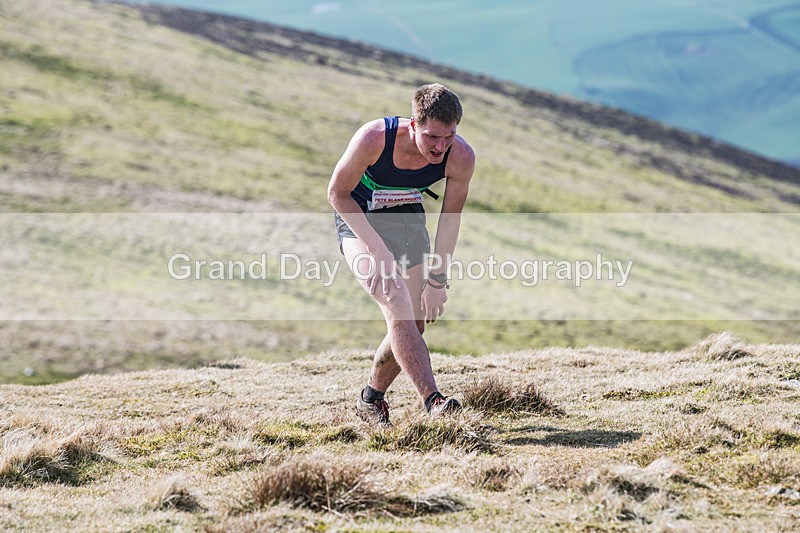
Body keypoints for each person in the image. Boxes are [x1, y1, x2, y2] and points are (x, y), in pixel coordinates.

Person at [327, 83, 476, 426]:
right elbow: (337, 192)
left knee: (413, 323)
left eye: (449, 136)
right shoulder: (374, 139)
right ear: (413, 125)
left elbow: (450, 220)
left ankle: (370, 399)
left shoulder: (461, 157)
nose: (440, 147)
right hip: (360, 222)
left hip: (407, 222)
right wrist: (376, 250)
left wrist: (438, 279)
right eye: (431, 137)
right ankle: (433, 401)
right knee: (395, 299)